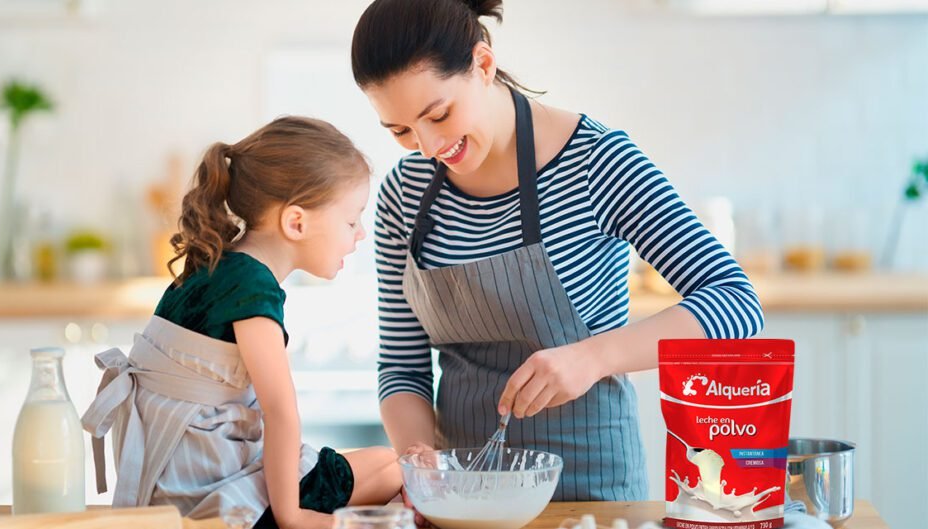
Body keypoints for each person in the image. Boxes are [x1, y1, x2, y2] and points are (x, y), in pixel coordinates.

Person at [351, 0, 765, 510]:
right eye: (401, 132)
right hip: (462, 502)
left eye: (439, 115)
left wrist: (594, 357)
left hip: (592, 495)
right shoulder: (403, 195)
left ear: (483, 65)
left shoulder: (596, 161)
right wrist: (418, 468)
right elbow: (402, 367)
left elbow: (737, 305)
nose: (430, 144)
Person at [82, 116, 402, 529]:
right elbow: (281, 413)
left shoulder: (222, 265)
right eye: (351, 220)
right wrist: (294, 516)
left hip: (177, 471)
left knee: (386, 464)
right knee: (390, 467)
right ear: (296, 223)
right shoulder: (252, 288)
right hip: (204, 493)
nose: (359, 235)